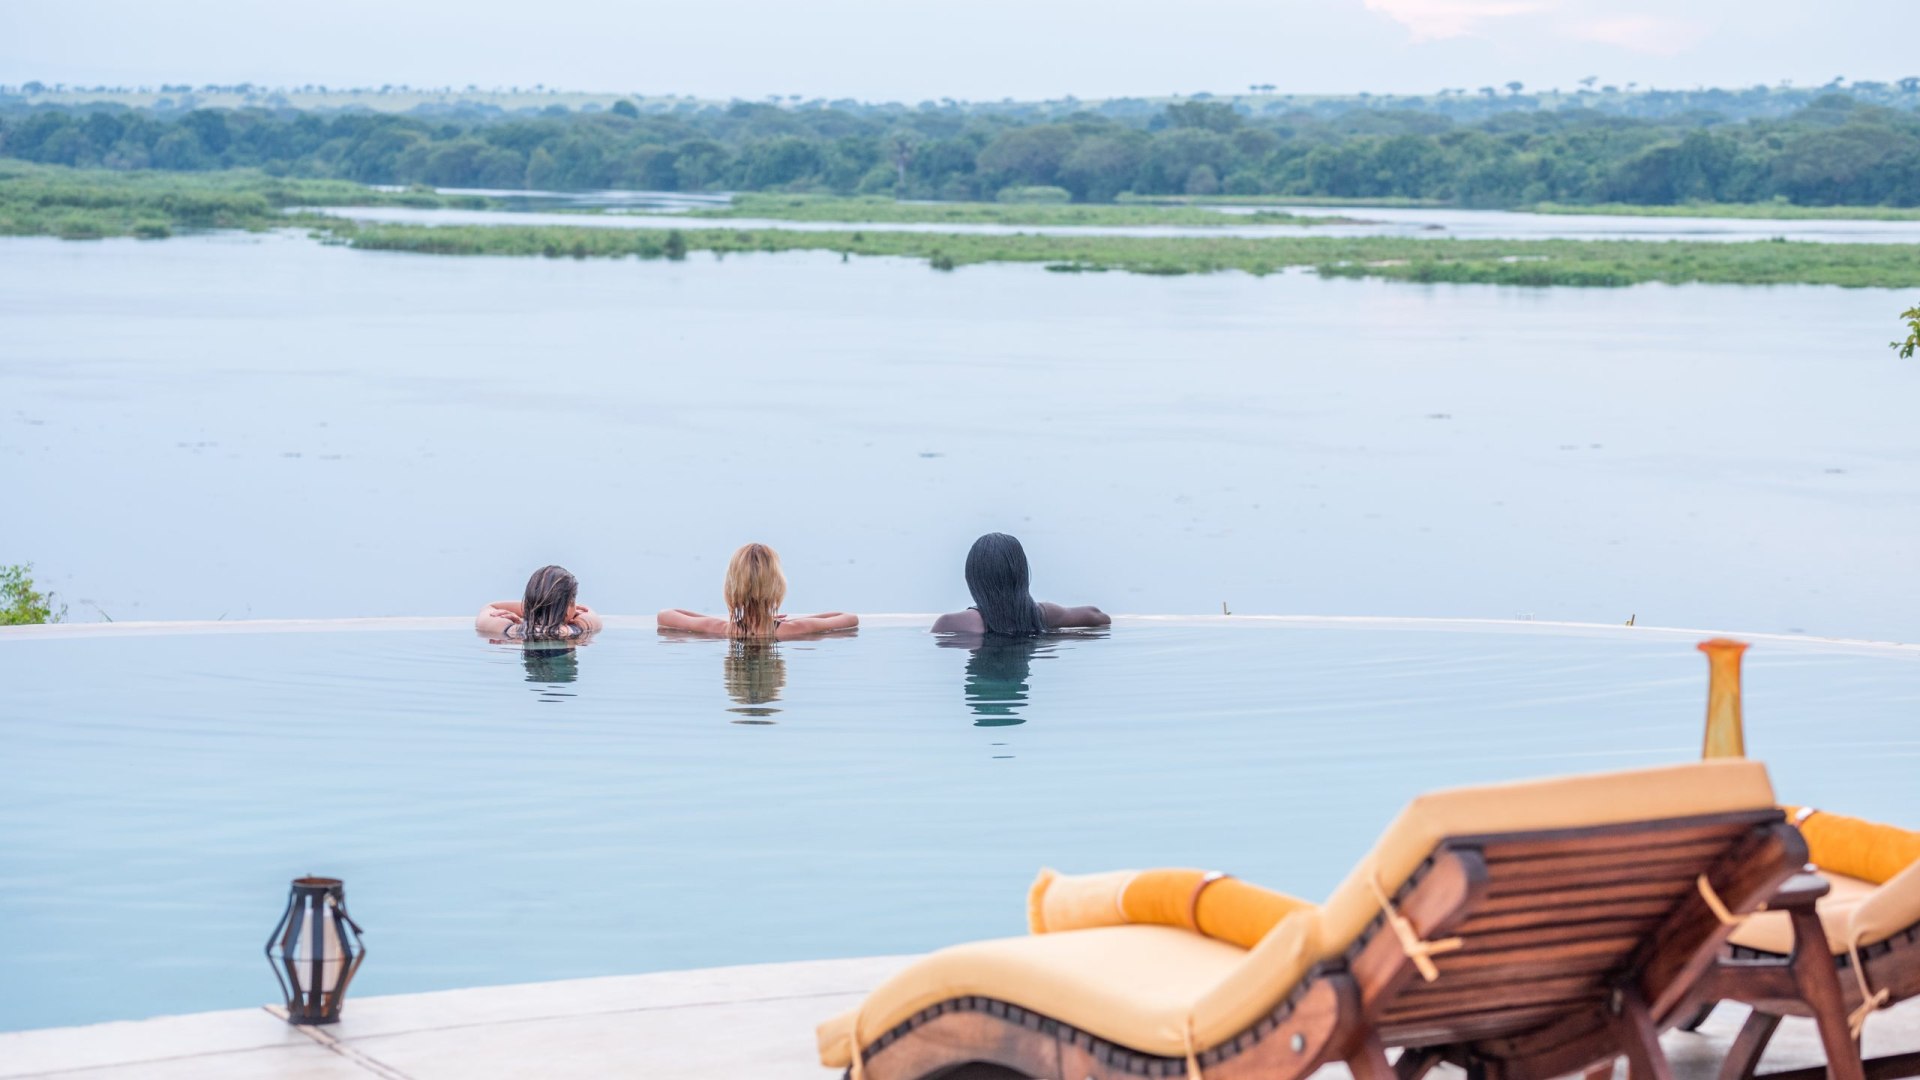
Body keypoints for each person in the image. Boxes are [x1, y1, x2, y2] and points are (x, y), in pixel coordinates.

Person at [657, 542, 858, 639]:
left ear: (732, 588)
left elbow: (666, 615)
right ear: (776, 587)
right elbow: (849, 618)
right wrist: (783, 621)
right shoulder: (796, 629)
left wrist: (726, 621)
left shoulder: (721, 629)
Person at [931, 533, 1109, 635]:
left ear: (972, 578)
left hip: (979, 696)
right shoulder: (1042, 615)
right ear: (1021, 574)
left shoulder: (951, 623)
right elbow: (1099, 617)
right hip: (1020, 698)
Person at [476, 565, 603, 640]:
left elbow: (490, 607)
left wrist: (533, 610)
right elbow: (589, 611)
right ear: (569, 606)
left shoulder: (511, 630)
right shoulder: (579, 628)